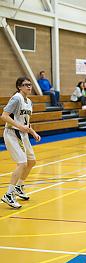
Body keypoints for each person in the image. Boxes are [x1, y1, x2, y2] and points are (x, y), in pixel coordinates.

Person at [1, 77, 41, 209]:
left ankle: (19, 187)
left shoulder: (29, 102)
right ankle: (9, 194)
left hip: (23, 134)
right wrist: (20, 126)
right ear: (19, 87)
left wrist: (33, 132)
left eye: (30, 85)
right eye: (26, 85)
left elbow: (26, 122)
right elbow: (4, 116)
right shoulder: (16, 98)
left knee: (32, 161)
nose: (29, 87)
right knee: (22, 163)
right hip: (12, 133)